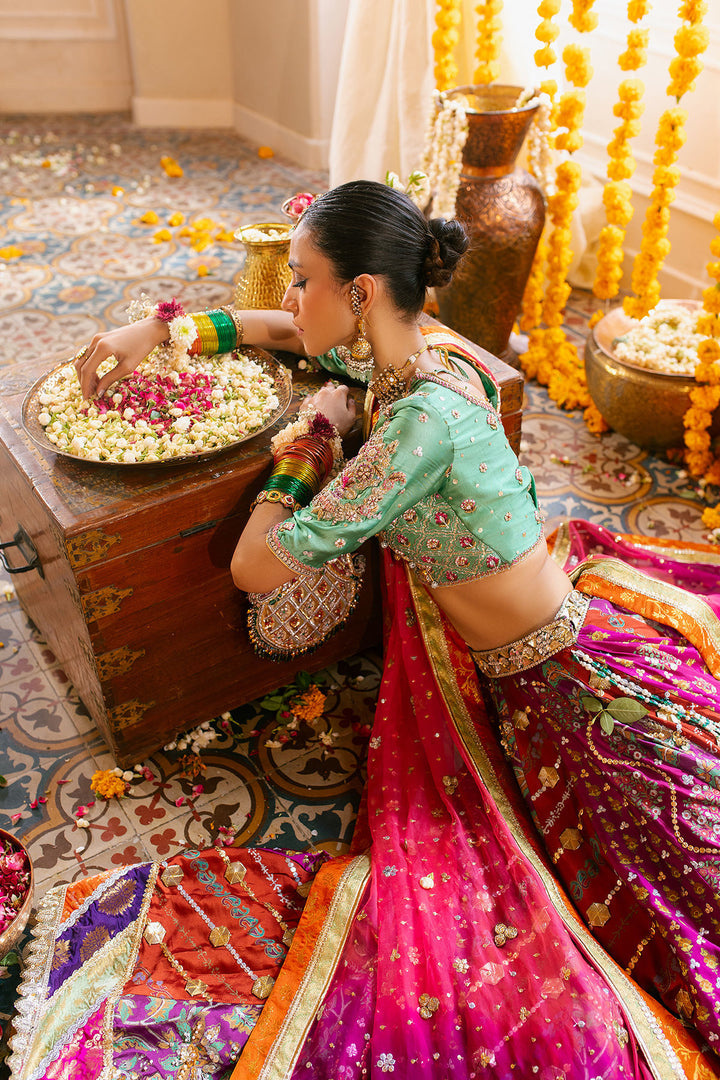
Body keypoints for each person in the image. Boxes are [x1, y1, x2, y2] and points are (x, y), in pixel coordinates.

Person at [13, 181, 720, 1079]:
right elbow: (275, 330)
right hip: (529, 641)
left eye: (302, 279)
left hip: (561, 685)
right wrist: (157, 331)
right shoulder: (415, 357)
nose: (287, 297)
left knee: (665, 888)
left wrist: (305, 453)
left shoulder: (418, 425)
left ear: (358, 294)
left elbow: (255, 568)